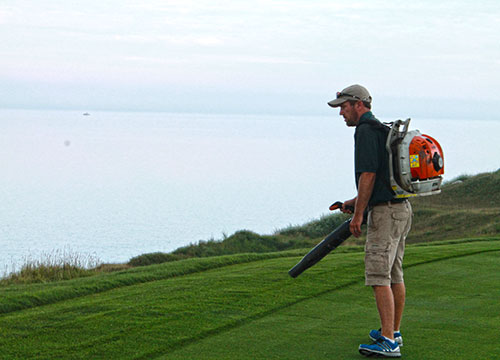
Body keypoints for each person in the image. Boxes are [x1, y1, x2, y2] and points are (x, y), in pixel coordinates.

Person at [328, 85, 412, 358]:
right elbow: (380, 178)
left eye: (343, 106)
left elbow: (368, 174)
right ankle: (394, 332)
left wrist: (358, 213)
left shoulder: (364, 131)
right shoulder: (381, 129)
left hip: (385, 214)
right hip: (401, 208)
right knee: (394, 273)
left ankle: (387, 341)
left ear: (358, 104)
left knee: (378, 276)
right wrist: (356, 201)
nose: (341, 112)